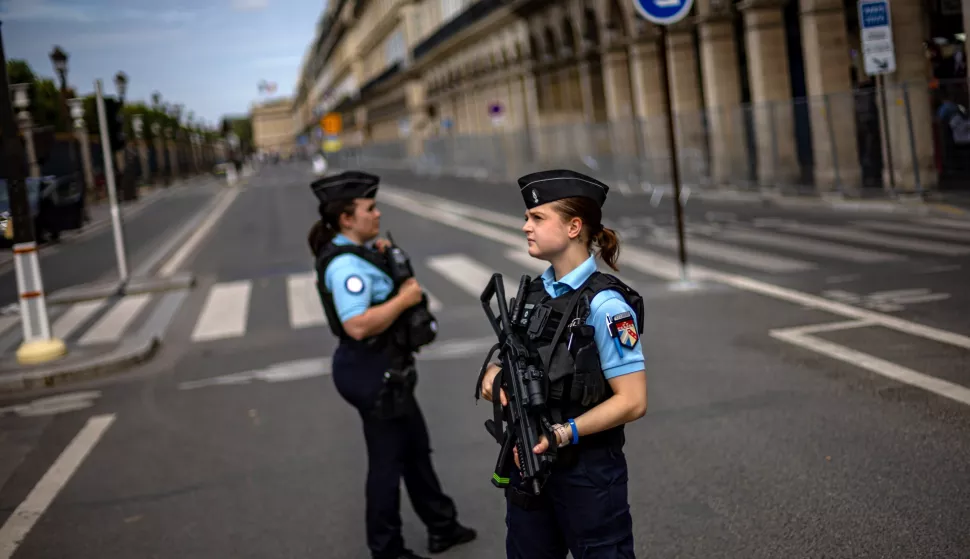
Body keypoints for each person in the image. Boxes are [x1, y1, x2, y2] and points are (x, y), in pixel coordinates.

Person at [477, 169, 648, 558]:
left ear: (574, 227)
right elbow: (511, 361)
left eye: (537, 218)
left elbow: (633, 401)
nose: (525, 227)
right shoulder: (533, 294)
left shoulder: (606, 305)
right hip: (527, 461)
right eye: (526, 217)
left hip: (586, 474)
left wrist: (563, 433)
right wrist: (493, 377)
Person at [308, 171, 476, 559]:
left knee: (415, 448)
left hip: (387, 369)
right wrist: (404, 298)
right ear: (347, 219)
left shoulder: (357, 251)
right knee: (386, 464)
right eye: (370, 208)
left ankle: (441, 526)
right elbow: (356, 325)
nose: (378, 213)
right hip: (371, 370)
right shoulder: (345, 266)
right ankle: (387, 549)